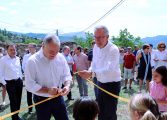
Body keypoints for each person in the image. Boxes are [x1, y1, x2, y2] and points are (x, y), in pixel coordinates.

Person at [25, 34, 72, 120]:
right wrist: (47, 90)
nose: (54, 54)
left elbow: (66, 75)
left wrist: (67, 86)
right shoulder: (32, 61)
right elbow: (29, 84)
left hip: (58, 97)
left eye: (57, 51)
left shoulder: (60, 57)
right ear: (43, 46)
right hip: (41, 100)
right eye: (51, 51)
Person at [79, 26, 121, 120]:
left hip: (111, 84)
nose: (98, 40)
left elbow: (110, 70)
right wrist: (90, 70)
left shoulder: (113, 49)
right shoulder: (95, 47)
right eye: (96, 37)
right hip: (98, 82)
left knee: (109, 112)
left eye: (101, 37)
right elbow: (94, 63)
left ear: (107, 37)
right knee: (99, 109)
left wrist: (92, 74)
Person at [0, 44, 23, 120]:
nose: (13, 51)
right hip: (10, 83)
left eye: (14, 49)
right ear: (7, 50)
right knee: (13, 101)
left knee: (19, 99)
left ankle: (17, 115)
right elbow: (0, 73)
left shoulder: (17, 58)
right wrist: (5, 83)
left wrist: (21, 78)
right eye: (11, 49)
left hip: (19, 82)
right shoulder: (3, 60)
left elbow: (19, 70)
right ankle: (14, 118)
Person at [22, 43, 37, 114]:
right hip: (28, 78)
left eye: (31, 47)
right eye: (29, 47)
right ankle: (30, 109)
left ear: (35, 48)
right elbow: (23, 66)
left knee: (37, 93)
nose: (29, 49)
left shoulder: (39, 56)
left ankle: (38, 107)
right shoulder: (25, 56)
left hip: (37, 78)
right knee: (29, 94)